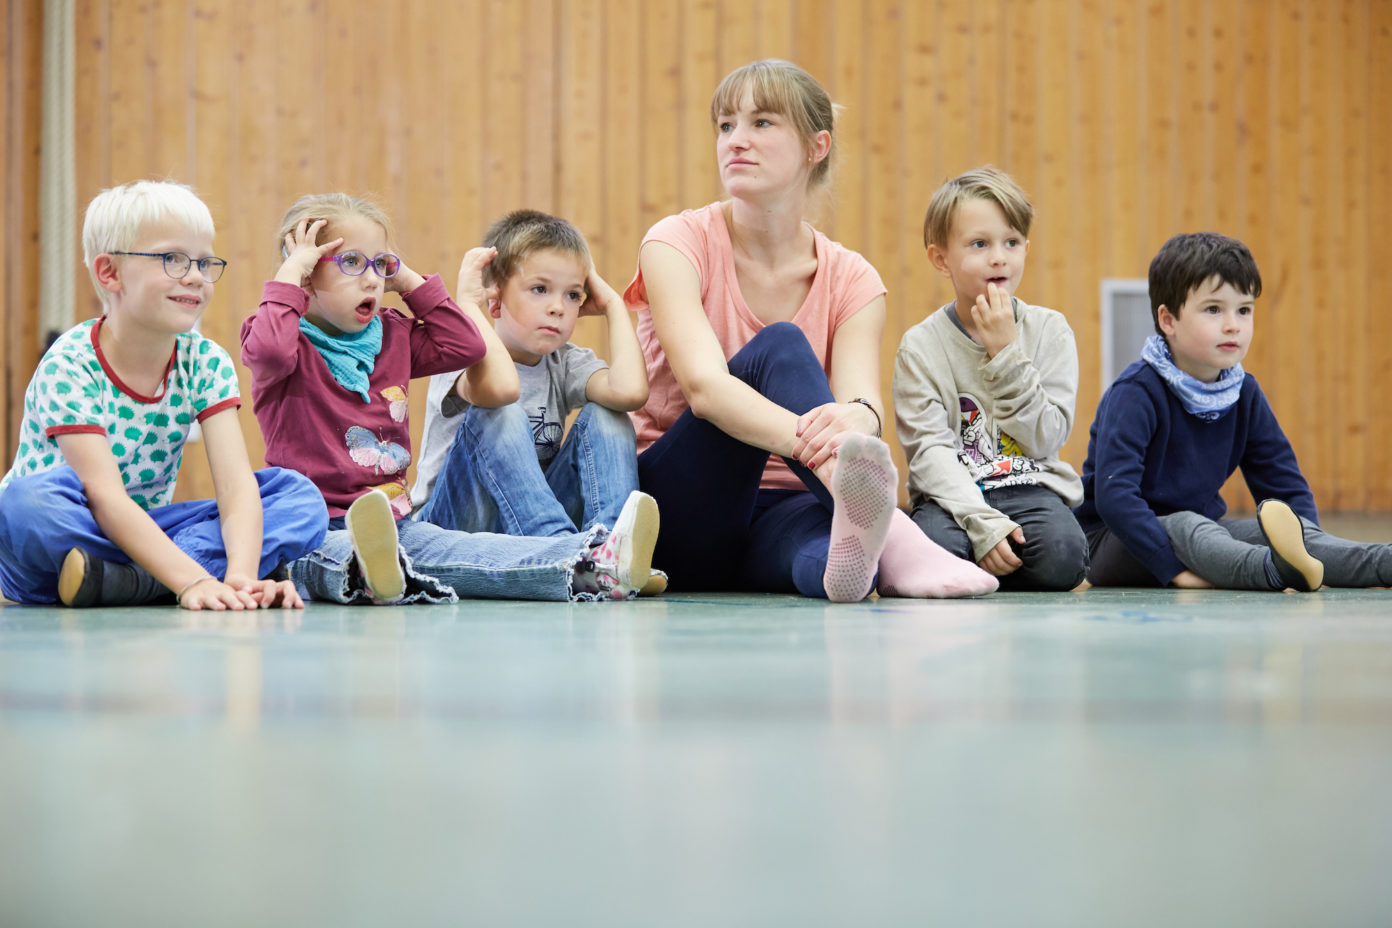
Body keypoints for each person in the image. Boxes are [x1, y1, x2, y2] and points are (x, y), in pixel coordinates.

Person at [624, 58, 997, 601]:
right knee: (780, 345)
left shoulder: (853, 277)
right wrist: (828, 449)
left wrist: (857, 417)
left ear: (814, 147)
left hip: (795, 501)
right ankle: (897, 538)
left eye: (762, 123)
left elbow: (864, 404)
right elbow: (704, 391)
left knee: (836, 563)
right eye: (726, 125)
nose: (737, 140)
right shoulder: (675, 243)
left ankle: (867, 562)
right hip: (683, 506)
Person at [241, 193, 658, 604]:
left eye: (380, 264)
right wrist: (290, 274)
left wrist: (405, 278)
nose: (372, 279)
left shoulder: (393, 336)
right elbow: (269, 352)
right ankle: (370, 571)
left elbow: (463, 343)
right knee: (319, 556)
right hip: (312, 522)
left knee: (466, 552)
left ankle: (600, 558)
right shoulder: (283, 338)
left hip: (399, 523)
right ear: (307, 273)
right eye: (351, 262)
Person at [0, 180, 324, 609]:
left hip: (149, 530)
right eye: (173, 259)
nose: (196, 277)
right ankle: (165, 577)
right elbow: (105, 497)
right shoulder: (70, 363)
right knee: (25, 504)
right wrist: (191, 581)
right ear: (109, 273)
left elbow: (234, 486)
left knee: (299, 497)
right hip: (64, 540)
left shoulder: (205, 360)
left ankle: (124, 582)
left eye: (205, 262)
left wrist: (242, 576)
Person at [1076, 231, 1392, 590]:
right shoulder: (1135, 392)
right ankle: (1275, 573)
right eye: (1214, 309)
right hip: (1115, 542)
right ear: (1168, 321)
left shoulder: (1244, 392)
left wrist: (1306, 541)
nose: (1233, 325)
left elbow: (1282, 481)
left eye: (1244, 310)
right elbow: (1116, 499)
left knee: (1253, 531)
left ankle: (1380, 562)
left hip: (1202, 534)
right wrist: (1175, 572)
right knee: (1187, 526)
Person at [893, 167, 1087, 591]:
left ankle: (990, 568)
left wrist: (1006, 352)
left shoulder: (1051, 330)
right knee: (934, 546)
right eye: (980, 244)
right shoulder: (920, 346)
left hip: (1029, 485)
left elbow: (1045, 438)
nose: (999, 257)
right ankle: (985, 560)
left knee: (1064, 555)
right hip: (952, 497)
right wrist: (982, 525)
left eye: (1011, 242)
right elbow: (928, 452)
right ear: (940, 258)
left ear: (1026, 249)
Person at [412, 209, 649, 540]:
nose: (558, 307)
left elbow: (629, 393)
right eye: (540, 289)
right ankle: (564, 552)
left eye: (573, 294)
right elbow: (503, 390)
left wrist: (613, 306)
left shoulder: (562, 362)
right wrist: (467, 304)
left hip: (523, 529)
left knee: (609, 414)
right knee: (501, 414)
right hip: (450, 528)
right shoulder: (462, 354)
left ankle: (613, 546)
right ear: (495, 296)